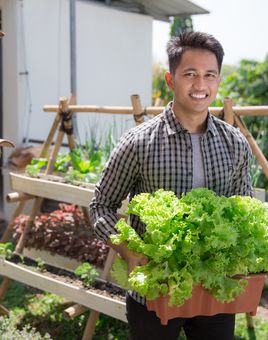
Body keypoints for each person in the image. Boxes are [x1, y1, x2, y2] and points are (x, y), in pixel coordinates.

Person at [89, 31, 253, 340]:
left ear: (218, 80)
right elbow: (100, 206)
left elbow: (244, 212)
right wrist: (129, 250)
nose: (200, 85)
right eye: (190, 74)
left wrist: (246, 255)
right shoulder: (138, 142)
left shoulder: (234, 143)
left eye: (210, 75)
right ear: (170, 79)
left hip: (215, 289)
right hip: (154, 291)